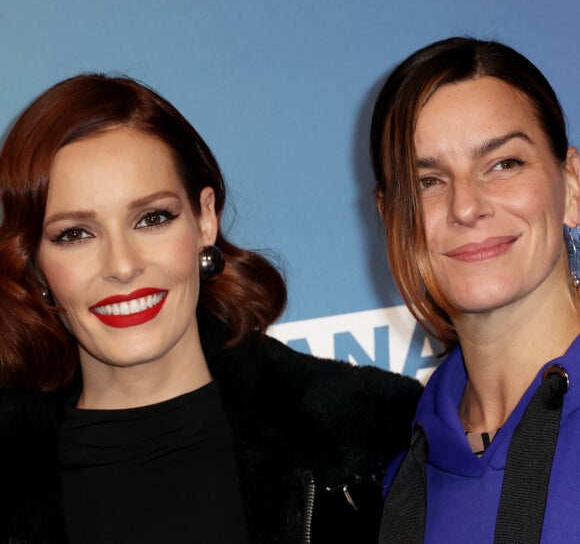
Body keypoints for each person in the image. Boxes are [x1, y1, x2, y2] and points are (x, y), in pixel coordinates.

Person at [0, 74, 422, 544]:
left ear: (204, 219)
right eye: (75, 233)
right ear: (33, 261)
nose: (122, 265)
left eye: (152, 218)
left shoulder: (374, 440)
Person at [371, 36, 580, 543]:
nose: (466, 206)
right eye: (427, 181)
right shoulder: (398, 479)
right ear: (390, 218)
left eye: (504, 164)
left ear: (572, 185)